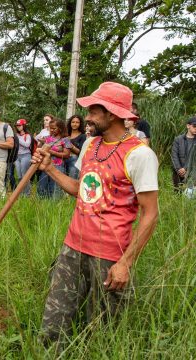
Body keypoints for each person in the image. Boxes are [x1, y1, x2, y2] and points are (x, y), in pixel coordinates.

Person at [33, 82, 159, 350]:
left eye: (93, 111)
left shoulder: (140, 155)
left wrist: (125, 262)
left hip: (109, 254)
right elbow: (81, 190)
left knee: (101, 330)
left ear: (112, 113)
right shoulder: (91, 145)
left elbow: (151, 213)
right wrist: (49, 170)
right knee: (53, 322)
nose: (87, 117)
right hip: (73, 246)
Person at [37, 117, 71, 198]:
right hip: (46, 166)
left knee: (55, 189)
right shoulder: (48, 138)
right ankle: (41, 207)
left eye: (54, 128)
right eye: (50, 128)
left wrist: (52, 152)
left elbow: (67, 155)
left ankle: (54, 208)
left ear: (60, 128)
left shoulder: (65, 139)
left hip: (58, 167)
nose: (51, 130)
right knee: (42, 187)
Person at [170, 117, 196, 192]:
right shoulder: (178, 139)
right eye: (194, 126)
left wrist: (185, 168)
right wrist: (178, 169)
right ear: (188, 126)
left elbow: (193, 158)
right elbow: (174, 155)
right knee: (177, 193)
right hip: (178, 172)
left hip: (192, 172)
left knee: (190, 195)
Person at [14, 119, 36, 195]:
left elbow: (27, 145)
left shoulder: (28, 135)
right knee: (19, 176)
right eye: (17, 125)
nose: (18, 127)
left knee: (25, 175)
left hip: (26, 156)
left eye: (19, 125)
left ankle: (27, 193)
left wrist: (18, 139)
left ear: (24, 126)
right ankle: (21, 193)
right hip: (17, 156)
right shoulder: (16, 135)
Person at [65, 115, 86, 179]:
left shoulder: (82, 136)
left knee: (72, 181)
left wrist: (71, 146)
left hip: (74, 160)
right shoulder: (65, 134)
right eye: (73, 122)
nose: (75, 124)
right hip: (62, 159)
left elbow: (81, 152)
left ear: (80, 124)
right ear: (70, 123)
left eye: (77, 122)